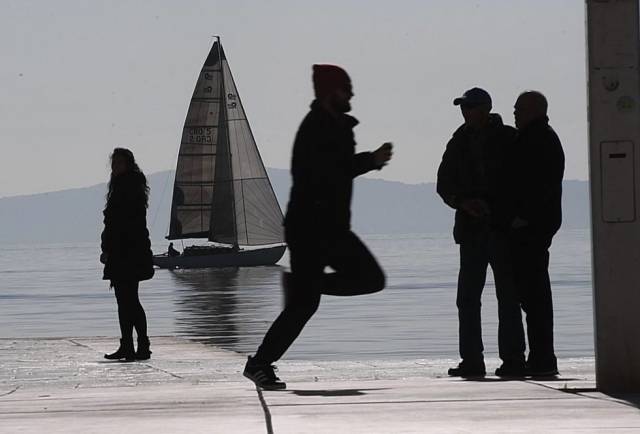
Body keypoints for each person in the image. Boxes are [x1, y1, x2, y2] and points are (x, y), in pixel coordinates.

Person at [243, 64, 393, 390]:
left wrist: (368, 160)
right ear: (329, 92)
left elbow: (337, 171)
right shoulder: (315, 128)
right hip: (310, 229)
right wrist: (370, 160)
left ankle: (301, 287)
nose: (351, 93)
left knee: (369, 279)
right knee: (305, 304)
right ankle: (260, 364)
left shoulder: (339, 127)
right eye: (345, 88)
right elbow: (327, 172)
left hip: (332, 227)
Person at [437, 87, 526, 377]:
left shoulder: (509, 139)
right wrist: (463, 203)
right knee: (467, 298)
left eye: (471, 107)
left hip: (502, 231)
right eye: (464, 107)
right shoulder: (458, 141)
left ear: (485, 108)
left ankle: (513, 360)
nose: (465, 112)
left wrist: (505, 211)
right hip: (471, 232)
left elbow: (522, 182)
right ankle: (472, 361)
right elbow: (444, 183)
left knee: (508, 297)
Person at [509, 91, 564, 377]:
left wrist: (523, 217)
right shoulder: (539, 137)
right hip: (536, 225)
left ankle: (542, 358)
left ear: (533, 110)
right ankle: (541, 356)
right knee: (533, 296)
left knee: (534, 296)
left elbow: (538, 184)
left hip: (531, 227)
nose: (514, 113)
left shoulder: (538, 139)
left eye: (518, 109)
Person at [100, 148, 155, 361]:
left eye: (120, 163)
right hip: (127, 251)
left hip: (128, 252)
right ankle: (133, 345)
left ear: (128, 164)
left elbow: (121, 224)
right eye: (114, 164)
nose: (115, 167)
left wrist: (110, 248)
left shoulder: (128, 188)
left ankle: (136, 345)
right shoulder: (126, 186)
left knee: (127, 300)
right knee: (127, 300)